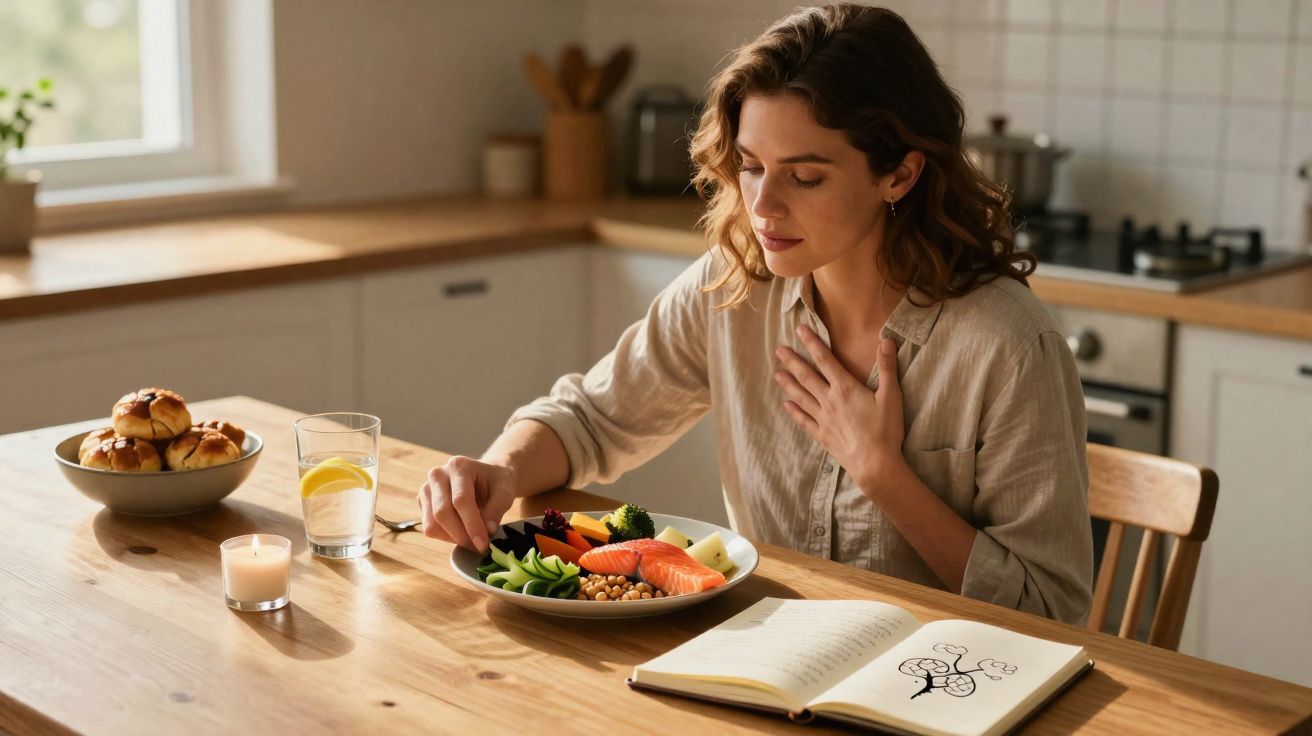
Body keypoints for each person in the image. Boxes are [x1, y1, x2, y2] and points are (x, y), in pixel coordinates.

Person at [417, 3, 1093, 625]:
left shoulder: (1004, 343)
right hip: (764, 660)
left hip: (940, 686)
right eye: (750, 166)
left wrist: (882, 473)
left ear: (900, 175)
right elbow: (592, 418)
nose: (764, 206)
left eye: (805, 177)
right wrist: (501, 469)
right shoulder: (738, 286)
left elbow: (1052, 611)